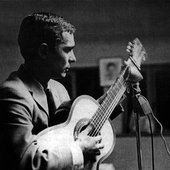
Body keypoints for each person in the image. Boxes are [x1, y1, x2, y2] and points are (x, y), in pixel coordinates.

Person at [0, 12, 122, 170]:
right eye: (67, 49)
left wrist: (121, 91)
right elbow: (26, 163)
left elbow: (74, 129)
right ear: (44, 52)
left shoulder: (59, 90)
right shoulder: (12, 94)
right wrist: (78, 150)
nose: (73, 58)